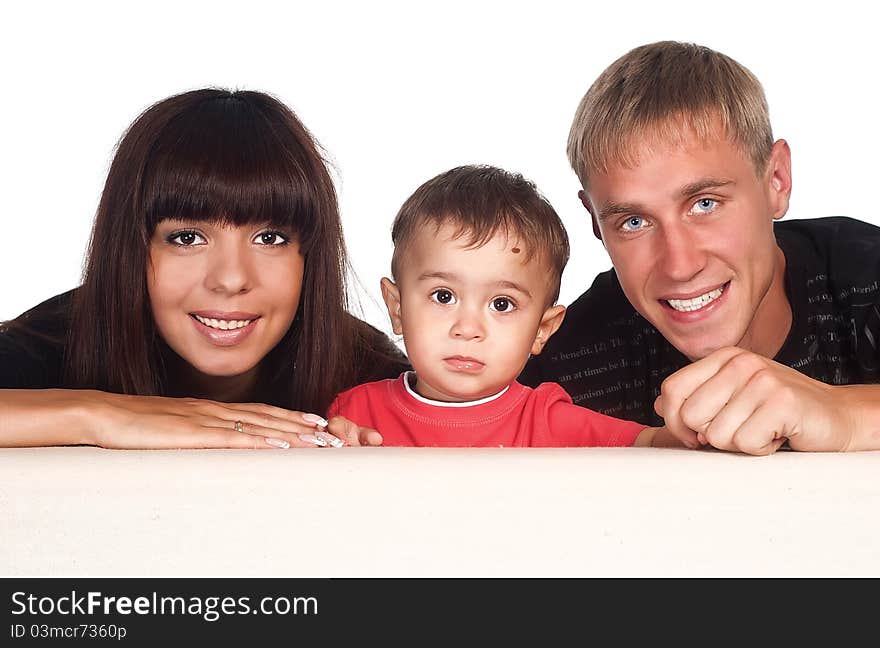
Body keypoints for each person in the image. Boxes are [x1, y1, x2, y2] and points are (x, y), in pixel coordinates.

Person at [520, 40, 880, 454]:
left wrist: (845, 416)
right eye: (634, 222)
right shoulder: (577, 354)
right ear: (596, 225)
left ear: (776, 180)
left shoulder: (865, 278)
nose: (680, 266)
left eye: (705, 204)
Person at [0, 88, 407, 449]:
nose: (230, 280)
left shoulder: (366, 372)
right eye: (187, 238)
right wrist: (97, 415)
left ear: (310, 256)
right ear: (131, 247)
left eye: (270, 238)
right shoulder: (54, 340)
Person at [327, 165, 680, 447]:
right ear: (398, 309)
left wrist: (697, 426)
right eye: (444, 296)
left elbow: (654, 445)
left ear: (542, 331)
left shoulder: (546, 421)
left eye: (501, 303)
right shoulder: (354, 413)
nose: (467, 328)